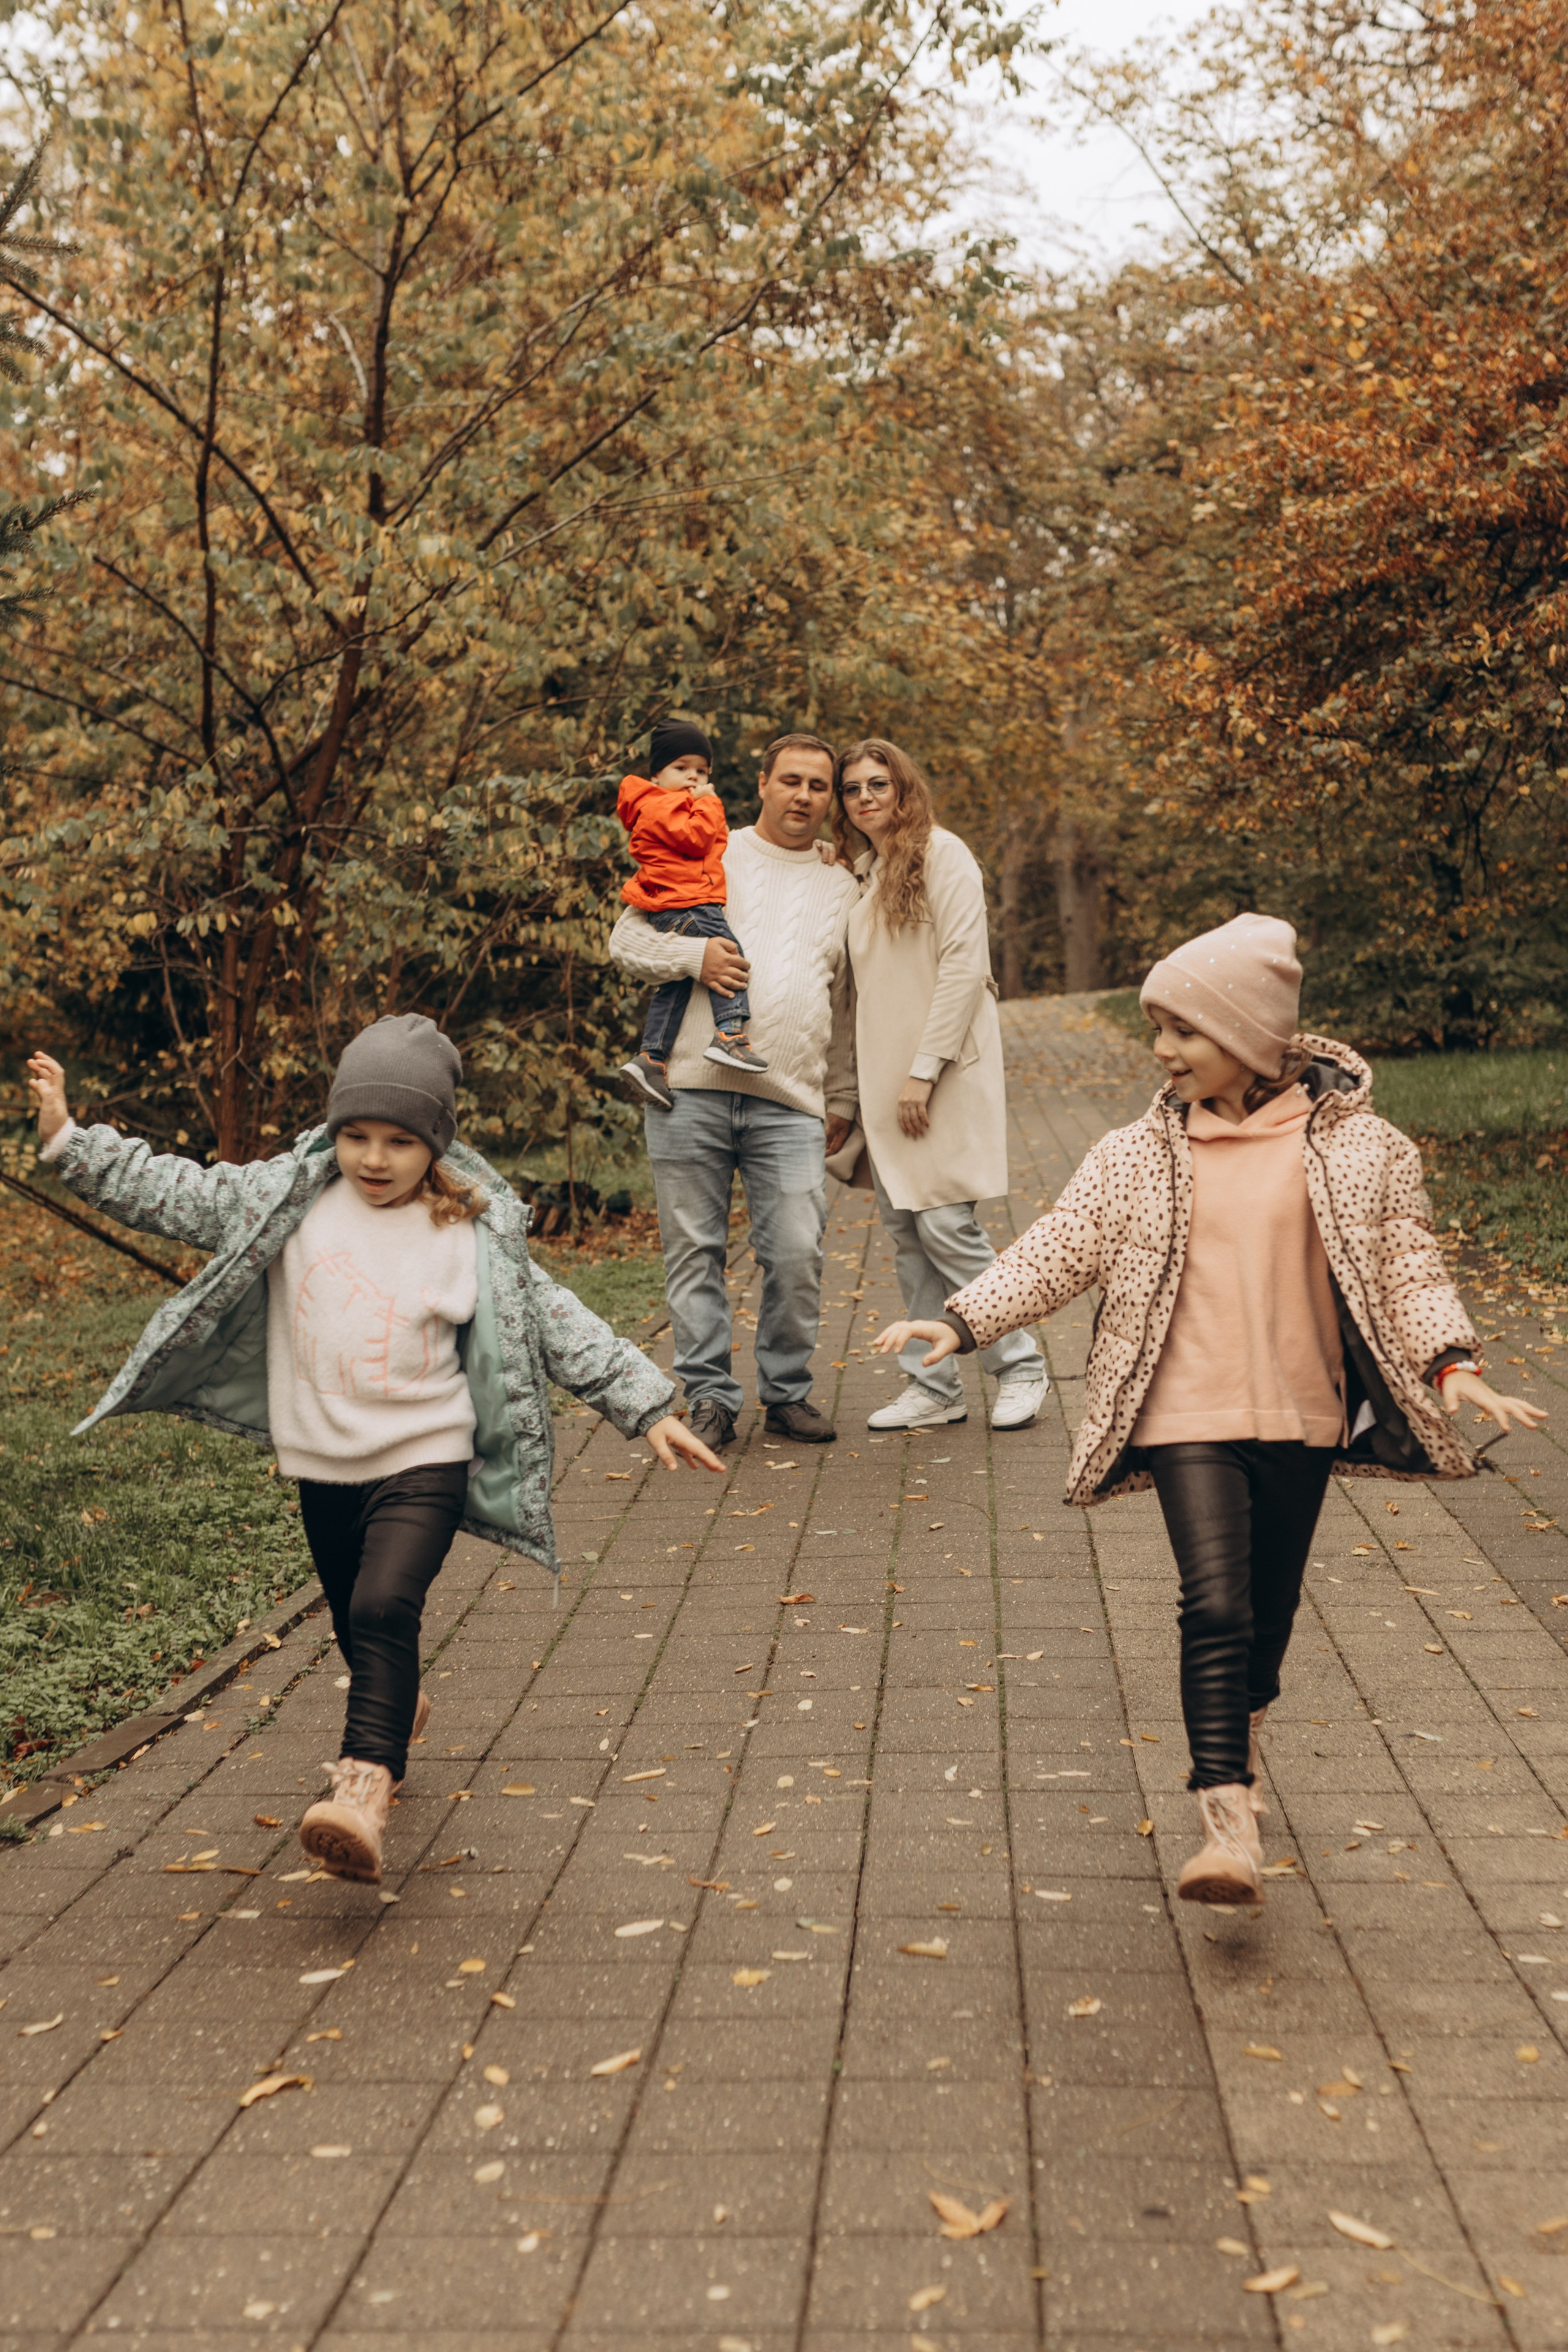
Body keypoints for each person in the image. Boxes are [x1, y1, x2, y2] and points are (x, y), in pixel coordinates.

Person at [871, 913, 1547, 1905]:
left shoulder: (1368, 1152)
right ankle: (1225, 1818)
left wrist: (1451, 1366)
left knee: (1263, 1621)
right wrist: (963, 1321)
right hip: (1184, 1409)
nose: (1163, 1051)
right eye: (1158, 1028)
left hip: (1303, 1415)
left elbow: (1408, 1263)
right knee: (1214, 1605)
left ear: (1249, 1035)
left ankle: (1246, 1737)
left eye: (1183, 1029)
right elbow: (1062, 1244)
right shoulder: (1134, 1153)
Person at [25, 1016, 720, 1885]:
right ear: (332, 1132)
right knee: (363, 1623)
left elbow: (554, 1318)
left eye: (400, 1140)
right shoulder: (290, 1199)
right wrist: (67, 1139)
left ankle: (363, 1788)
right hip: (323, 1463)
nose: (375, 1158)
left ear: (436, 1142)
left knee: (384, 1606)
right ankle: (398, 1703)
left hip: (424, 1453)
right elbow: (178, 1193)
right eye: (356, 1135)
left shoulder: (466, 1232)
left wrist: (645, 1402)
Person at [610, 732, 859, 1452]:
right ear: (762, 783)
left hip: (791, 1101)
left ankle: (786, 1391)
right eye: (791, 781)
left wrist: (840, 1096)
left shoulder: (842, 884)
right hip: (687, 1089)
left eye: (818, 785)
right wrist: (694, 955)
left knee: (796, 1248)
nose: (803, 797)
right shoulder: (712, 847)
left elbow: (846, 1002)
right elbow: (625, 943)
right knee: (694, 1250)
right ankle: (710, 1397)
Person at [831, 737, 1047, 1433]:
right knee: (905, 1231)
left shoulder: (941, 853)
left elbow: (963, 965)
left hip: (940, 1074)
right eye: (853, 788)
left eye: (878, 784)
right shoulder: (863, 873)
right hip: (884, 1083)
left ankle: (1021, 1366)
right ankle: (932, 1386)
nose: (865, 797)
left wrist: (923, 1074)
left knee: (947, 1225)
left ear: (903, 788)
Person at [614, 719, 768, 1109]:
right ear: (657, 774)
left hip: (679, 900)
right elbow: (699, 839)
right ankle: (730, 1034)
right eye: (681, 768)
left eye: (701, 771)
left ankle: (651, 1058)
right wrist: (710, 800)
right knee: (728, 953)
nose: (692, 778)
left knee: (678, 981)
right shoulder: (662, 804)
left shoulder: (669, 806)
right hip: (688, 903)